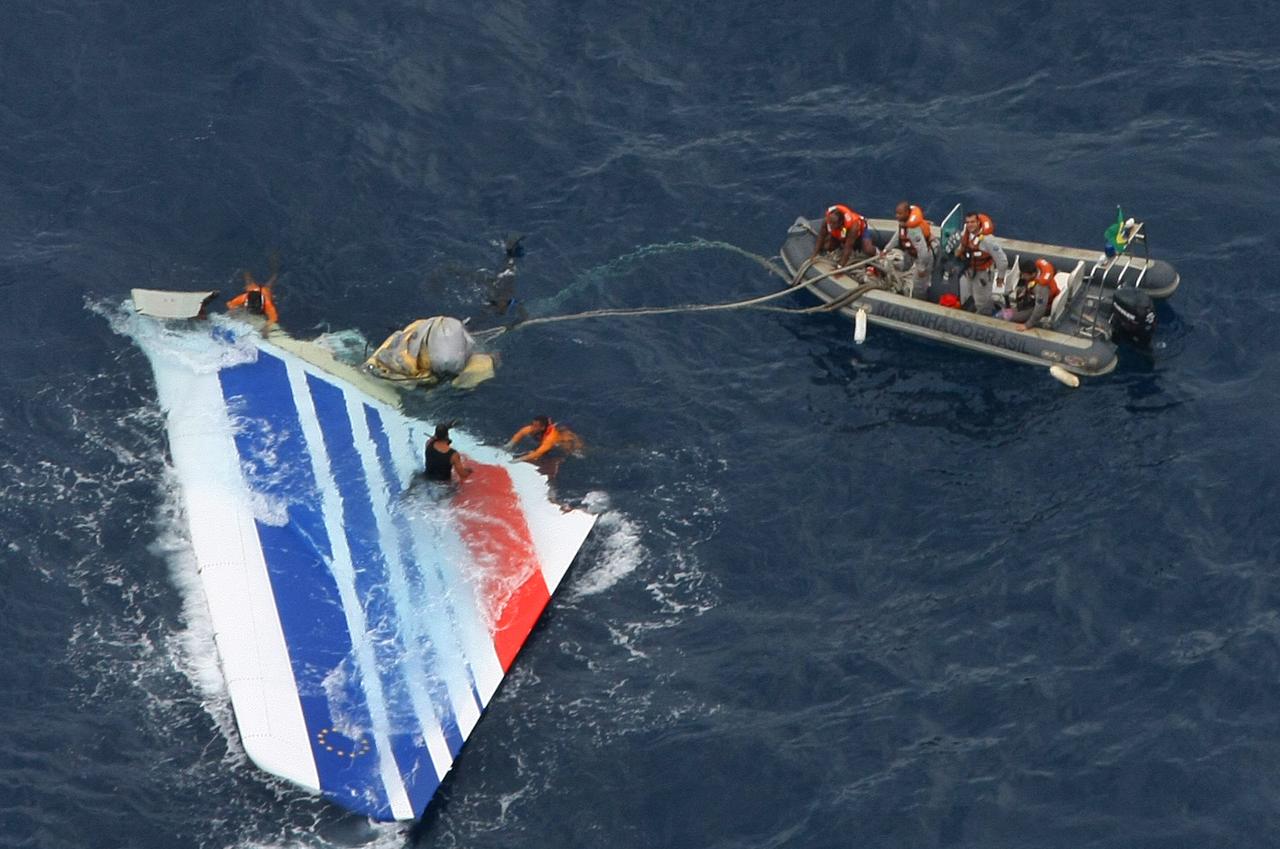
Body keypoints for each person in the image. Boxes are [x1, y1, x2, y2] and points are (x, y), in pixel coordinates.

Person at [954, 211, 1008, 315]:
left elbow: (1002, 261)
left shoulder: (988, 240)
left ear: (978, 222)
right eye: (968, 222)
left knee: (981, 300)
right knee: (972, 293)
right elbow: (963, 245)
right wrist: (959, 251)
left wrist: (1000, 278)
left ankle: (985, 316)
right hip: (970, 270)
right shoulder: (967, 232)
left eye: (973, 222)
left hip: (983, 274)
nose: (970, 225)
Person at [881, 200, 935, 299]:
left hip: (922, 258)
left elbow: (923, 251)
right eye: (896, 213)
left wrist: (921, 268)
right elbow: (897, 237)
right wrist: (886, 250)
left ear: (907, 213)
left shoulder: (913, 230)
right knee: (903, 266)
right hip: (910, 253)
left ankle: (919, 300)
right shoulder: (903, 224)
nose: (897, 216)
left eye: (900, 214)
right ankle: (899, 276)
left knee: (919, 284)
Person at [996, 258, 1060, 330]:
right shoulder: (1037, 273)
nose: (1023, 277)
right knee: (1019, 292)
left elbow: (1040, 309)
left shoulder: (1041, 289)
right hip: (1032, 299)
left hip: (1045, 306)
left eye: (1025, 275)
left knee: (1003, 316)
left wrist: (1027, 325)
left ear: (1033, 274)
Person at [809, 204, 876, 268]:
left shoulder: (853, 226)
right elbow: (821, 236)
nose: (831, 225)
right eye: (830, 222)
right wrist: (814, 254)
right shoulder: (827, 221)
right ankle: (838, 251)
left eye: (834, 223)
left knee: (868, 250)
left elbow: (848, 246)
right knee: (827, 247)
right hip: (840, 234)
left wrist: (840, 266)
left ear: (841, 222)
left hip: (860, 233)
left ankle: (877, 253)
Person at [505, 415, 582, 463]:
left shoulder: (549, 439)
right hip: (549, 436)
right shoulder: (533, 429)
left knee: (574, 452)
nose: (532, 427)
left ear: (542, 427)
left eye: (535, 426)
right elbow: (521, 433)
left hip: (563, 442)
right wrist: (510, 444)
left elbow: (537, 453)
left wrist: (519, 459)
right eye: (532, 424)